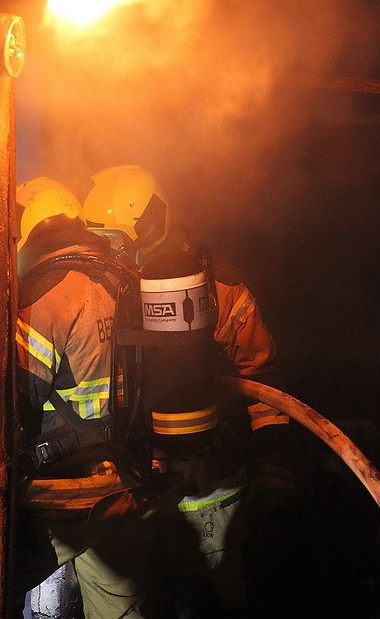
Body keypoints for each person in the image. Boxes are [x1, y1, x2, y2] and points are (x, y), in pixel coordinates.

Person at [80, 164, 295, 618]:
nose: (113, 250)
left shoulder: (216, 283)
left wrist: (274, 455)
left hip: (208, 472)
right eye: (106, 240)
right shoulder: (106, 288)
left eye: (118, 239)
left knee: (216, 594)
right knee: (145, 593)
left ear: (149, 225)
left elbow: (261, 373)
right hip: (135, 474)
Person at [12, 177, 163, 619]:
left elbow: (14, 403)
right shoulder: (127, 281)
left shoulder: (43, 295)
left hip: (56, 497)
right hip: (128, 484)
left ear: (26, 233)